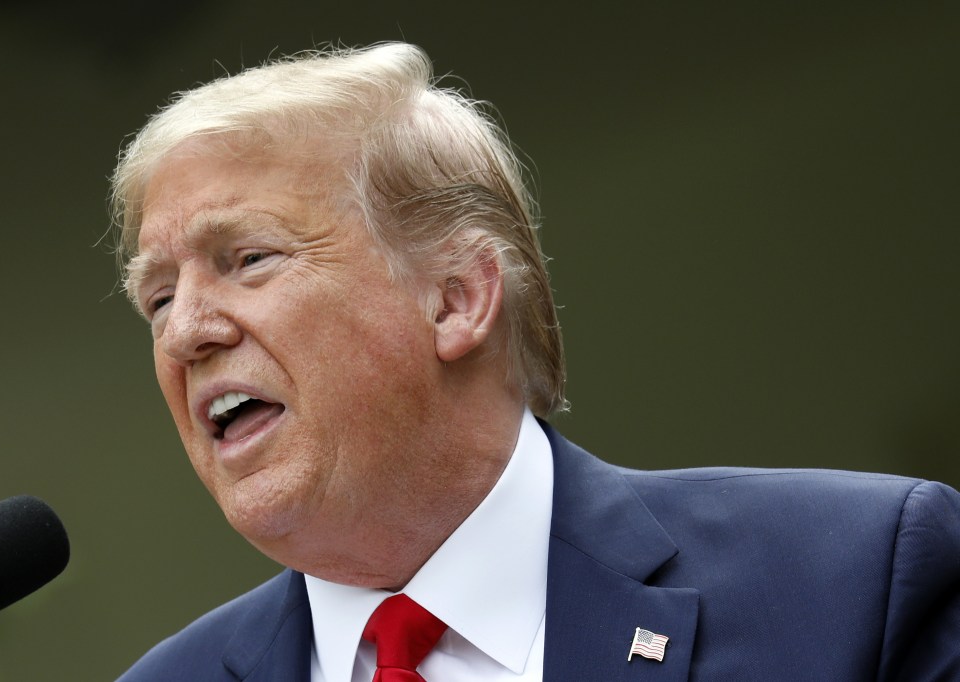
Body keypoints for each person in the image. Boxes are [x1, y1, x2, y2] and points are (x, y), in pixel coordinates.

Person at [111, 43, 960, 681]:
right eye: (156, 299)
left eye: (250, 259)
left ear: (456, 299)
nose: (185, 332)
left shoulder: (853, 580)